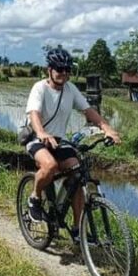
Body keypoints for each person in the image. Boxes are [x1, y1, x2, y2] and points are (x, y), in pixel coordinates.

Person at [25, 47, 122, 237]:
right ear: (49, 70)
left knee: (77, 174)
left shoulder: (70, 89)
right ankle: (35, 198)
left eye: (68, 70)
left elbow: (88, 111)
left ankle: (78, 229)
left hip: (58, 141)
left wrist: (107, 128)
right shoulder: (40, 88)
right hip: (36, 139)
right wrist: (42, 133)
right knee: (50, 165)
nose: (64, 73)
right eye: (60, 69)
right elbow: (34, 114)